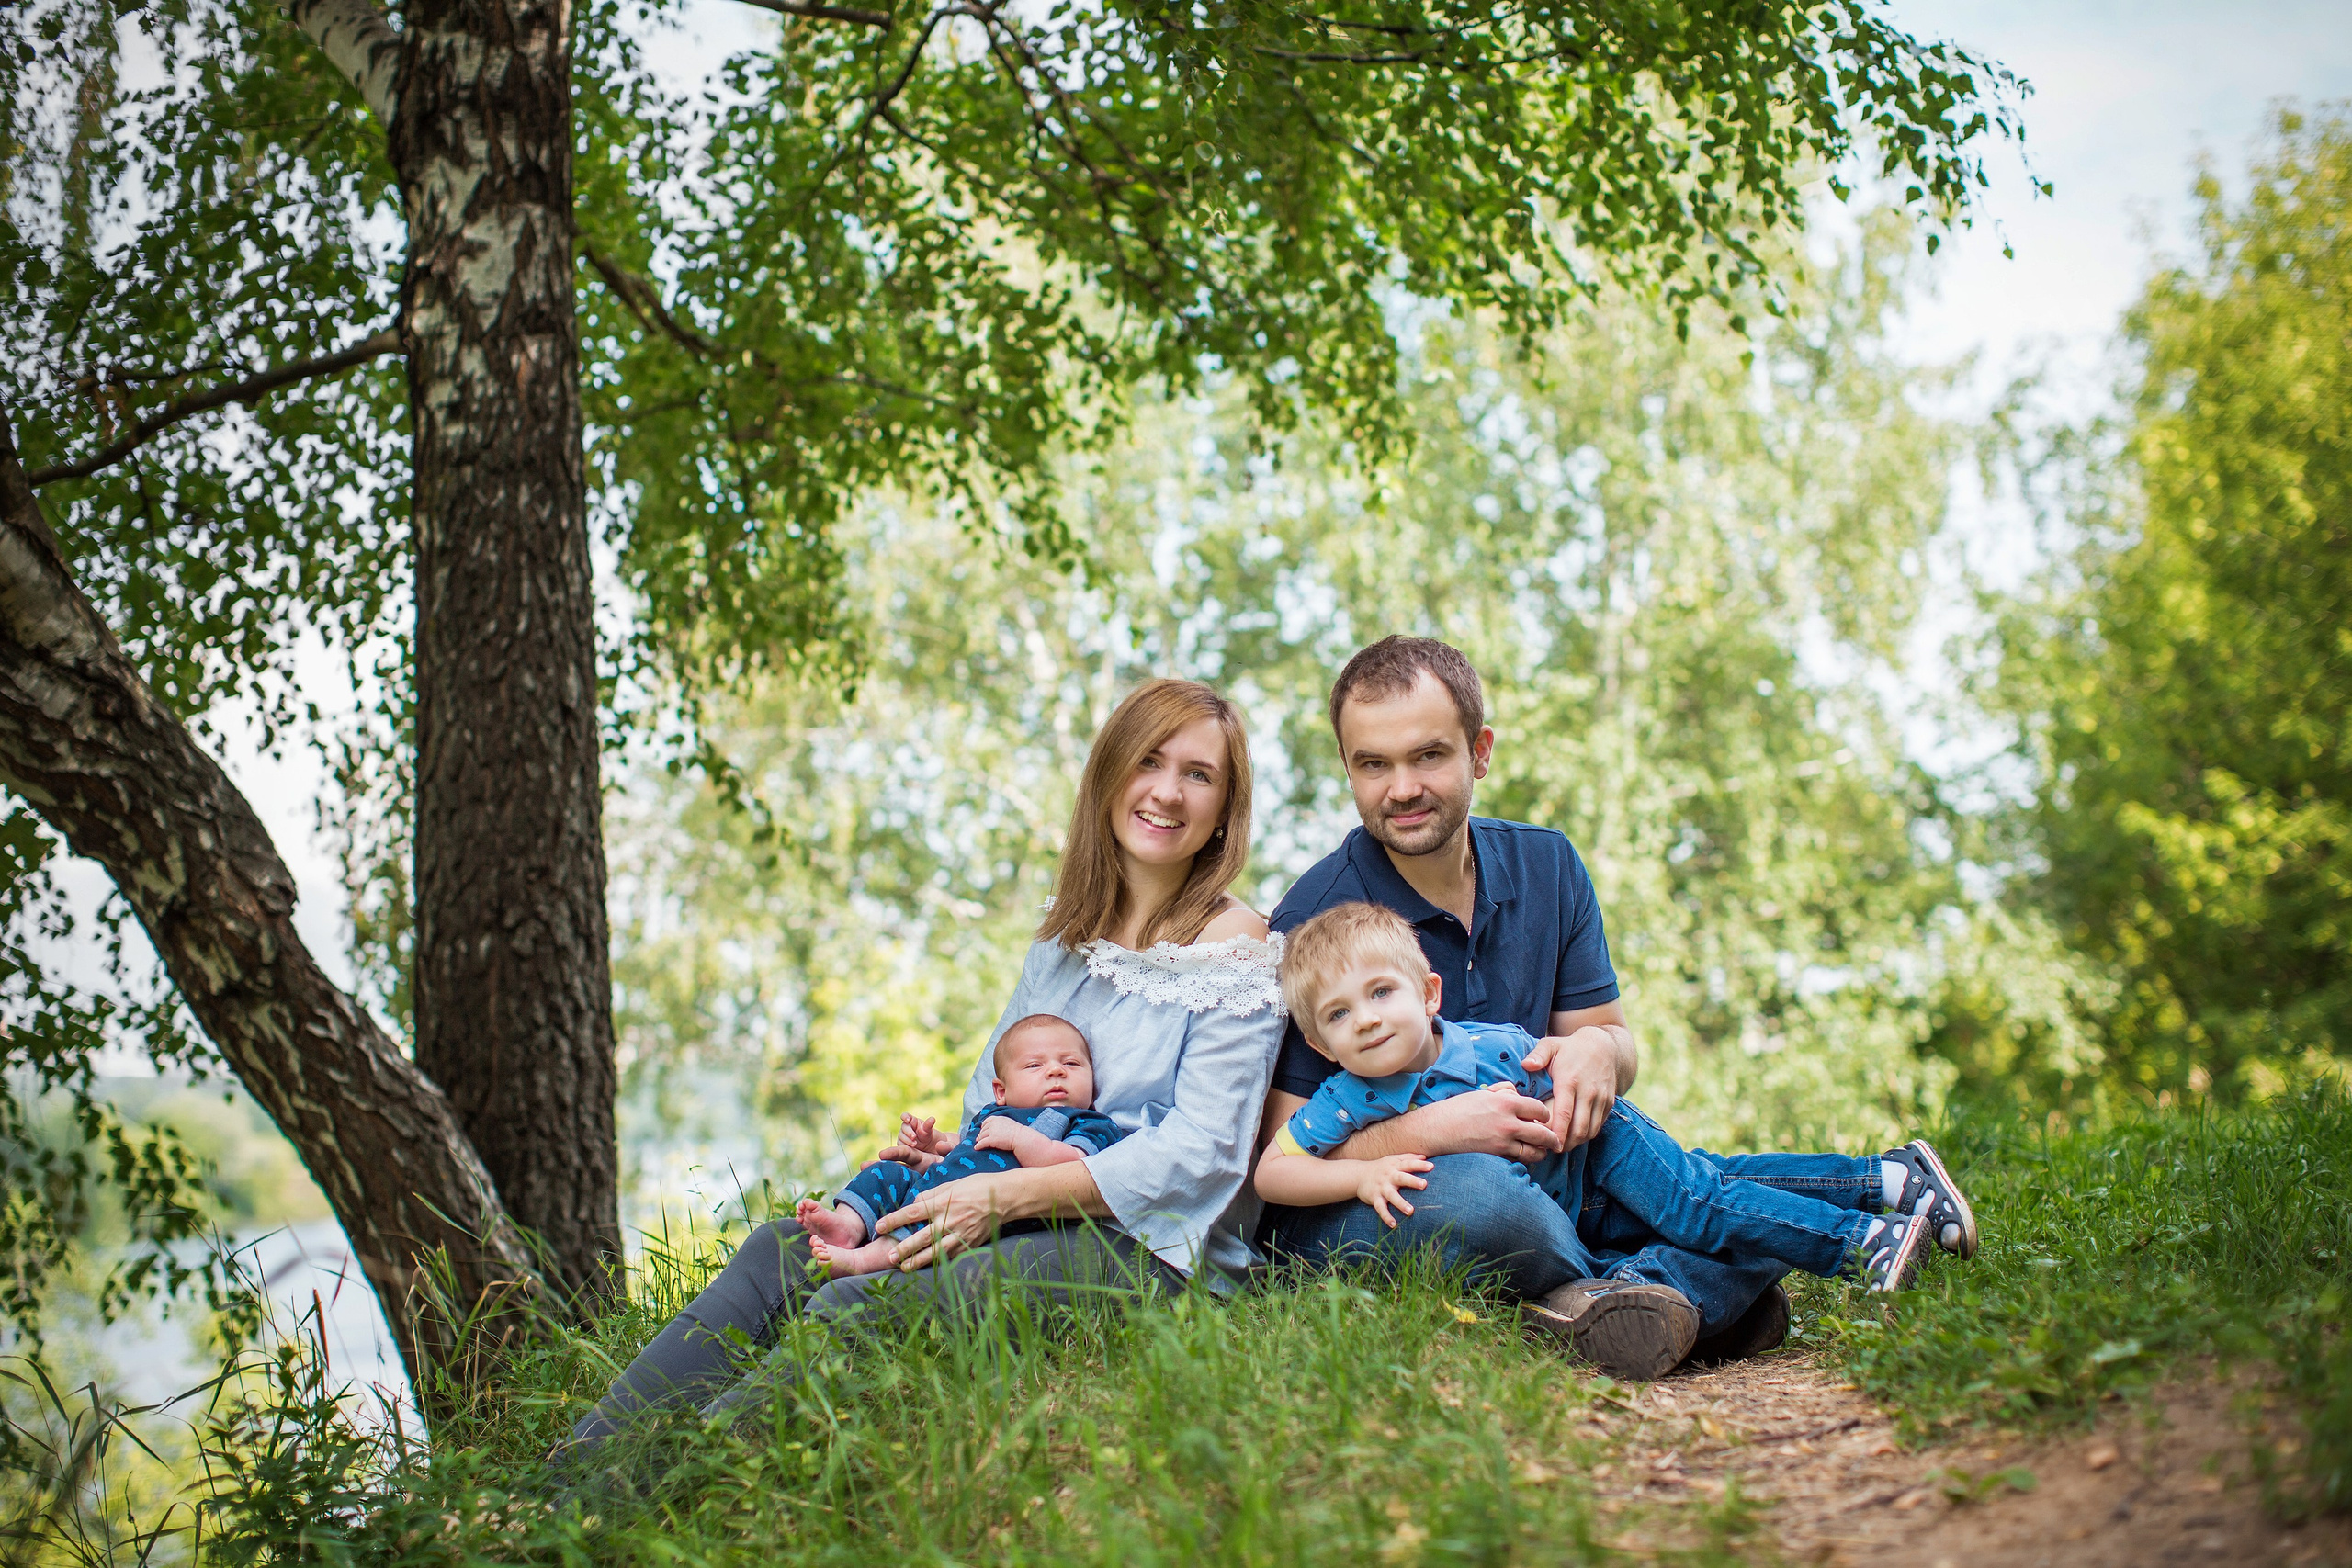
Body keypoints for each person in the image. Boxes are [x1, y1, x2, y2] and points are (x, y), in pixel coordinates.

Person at [565, 679, 1285, 1450]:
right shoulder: (1063, 940)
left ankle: (654, 1497)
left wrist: (1004, 1195)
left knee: (864, 1303)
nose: (1167, 791)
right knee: (783, 1249)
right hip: (1019, 1207)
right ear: (1110, 773)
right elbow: (990, 1102)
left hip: (1150, 1246)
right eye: (1148, 760)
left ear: (1222, 810)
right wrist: (938, 1165)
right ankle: (566, 1483)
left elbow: (1204, 1153)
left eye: (1199, 774)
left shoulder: (1236, 949)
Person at [1258, 637, 1973, 1379]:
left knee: (1681, 1191)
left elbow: (1613, 1051)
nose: (1401, 786)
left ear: (1480, 752)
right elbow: (1278, 1154)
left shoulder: (1548, 865)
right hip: (1395, 1200)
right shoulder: (1316, 927)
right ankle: (1692, 1280)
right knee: (1484, 1198)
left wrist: (1599, 1050)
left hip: (1561, 1169)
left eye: (1428, 756)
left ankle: (1638, 1297)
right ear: (1348, 769)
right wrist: (1442, 1128)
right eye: (1373, 763)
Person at [1255, 902, 1973, 1318]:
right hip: (1577, 1210)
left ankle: (1860, 1242)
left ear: (1429, 993)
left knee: (1699, 1202)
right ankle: (1885, 1181)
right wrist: (1357, 1176)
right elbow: (1273, 1174)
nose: (1369, 1020)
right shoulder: (1344, 1100)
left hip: (1601, 1146)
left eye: (1382, 992)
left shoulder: (1496, 1046)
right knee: (1706, 1205)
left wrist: (1587, 1049)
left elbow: (1573, 1062)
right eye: (1341, 1013)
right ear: (1319, 1040)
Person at [795, 1014, 1127, 1278]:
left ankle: (863, 1262)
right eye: (1035, 1065)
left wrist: (1020, 1139)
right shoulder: (993, 1113)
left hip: (998, 1214)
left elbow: (1072, 1167)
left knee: (927, 1216)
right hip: (940, 1183)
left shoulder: (1087, 1122)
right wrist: (933, 1148)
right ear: (1001, 1091)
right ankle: (848, 1225)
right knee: (886, 1174)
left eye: (1071, 1064)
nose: (1056, 1071)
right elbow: (968, 1152)